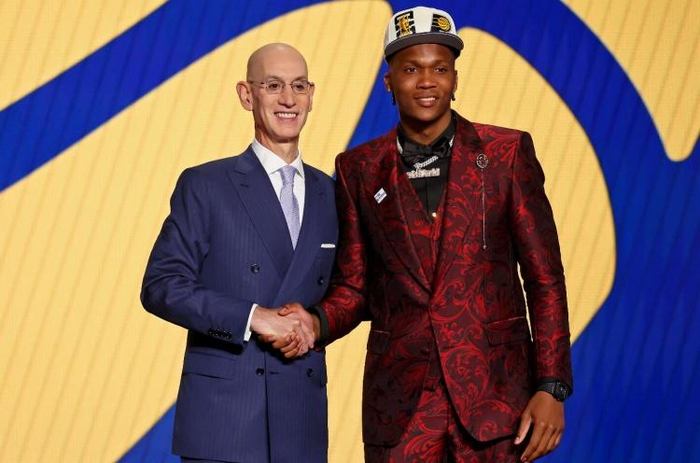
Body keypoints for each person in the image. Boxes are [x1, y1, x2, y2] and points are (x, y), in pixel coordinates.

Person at [281, 6, 573, 462]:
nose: (426, 82)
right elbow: (355, 286)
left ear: (455, 79)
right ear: (388, 82)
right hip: (400, 407)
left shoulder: (506, 153)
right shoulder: (358, 169)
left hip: (497, 400)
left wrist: (552, 385)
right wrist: (314, 322)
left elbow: (544, 278)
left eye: (440, 69)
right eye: (411, 69)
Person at [140, 43, 336, 463]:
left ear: (311, 96)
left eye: (299, 86)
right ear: (247, 95)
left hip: (301, 419)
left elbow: (354, 290)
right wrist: (252, 316)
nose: (288, 99)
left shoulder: (332, 193)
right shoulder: (206, 184)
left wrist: (317, 323)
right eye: (273, 86)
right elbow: (162, 285)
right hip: (225, 419)